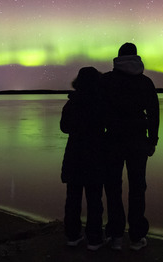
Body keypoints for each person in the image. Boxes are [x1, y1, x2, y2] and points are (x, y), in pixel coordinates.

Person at [100, 42, 159, 251]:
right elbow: (153, 113)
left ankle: (116, 235)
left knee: (113, 188)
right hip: (137, 141)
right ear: (136, 57)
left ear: (118, 58)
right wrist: (152, 140)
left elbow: (98, 111)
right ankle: (136, 237)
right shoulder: (145, 82)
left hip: (113, 140)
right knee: (137, 188)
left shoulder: (106, 81)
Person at [60, 66, 107, 250]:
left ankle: (73, 235)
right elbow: (107, 124)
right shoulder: (100, 102)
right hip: (95, 154)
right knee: (94, 198)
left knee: (73, 198)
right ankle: (94, 239)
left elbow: (64, 127)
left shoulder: (71, 103)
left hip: (74, 154)